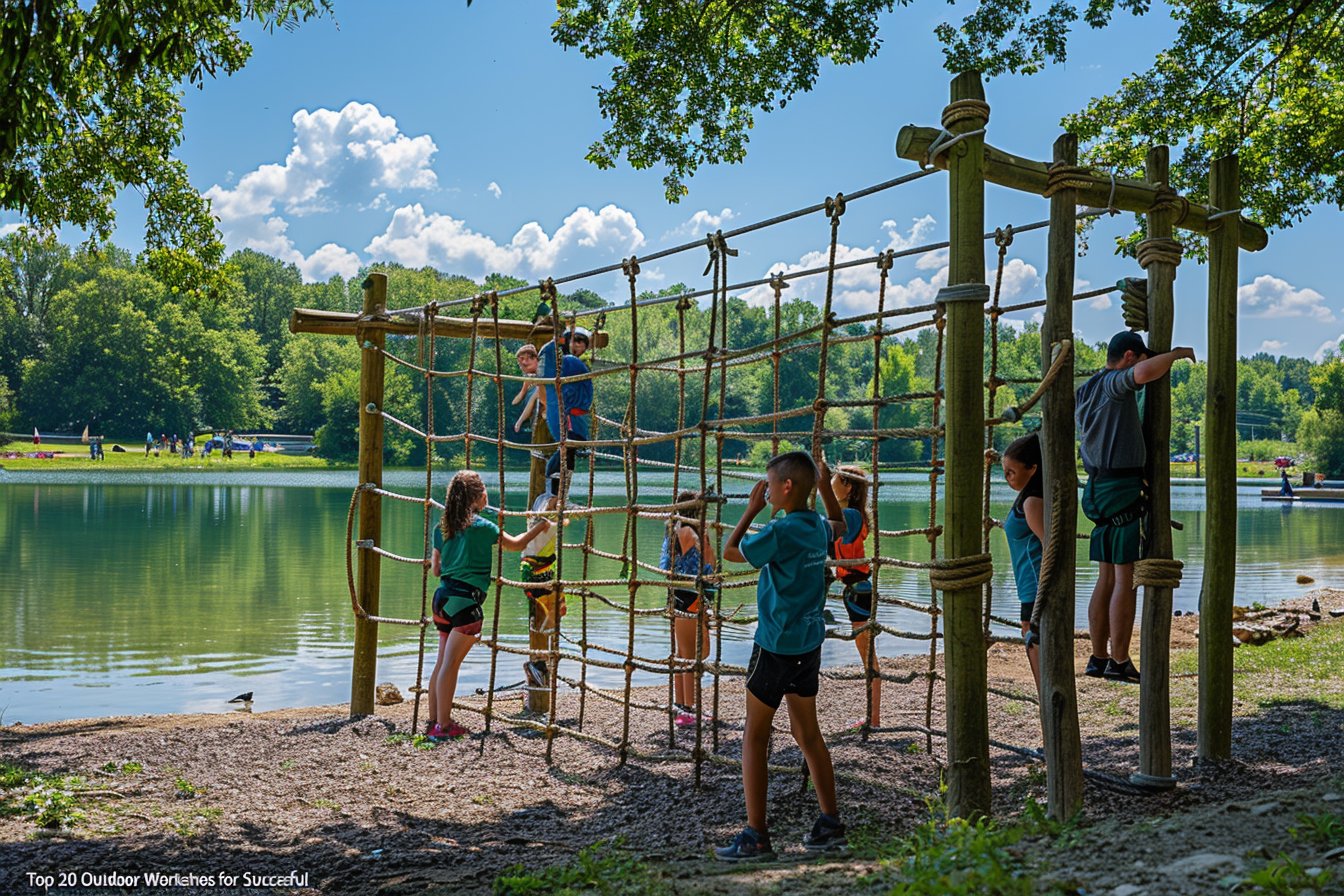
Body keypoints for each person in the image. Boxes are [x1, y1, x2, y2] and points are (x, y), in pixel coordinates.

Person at [717, 451, 848, 861]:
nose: (766, 489)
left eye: (770, 484)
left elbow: (731, 551)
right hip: (808, 644)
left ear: (786, 487)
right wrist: (825, 486)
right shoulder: (814, 526)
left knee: (755, 737)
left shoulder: (782, 529)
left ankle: (756, 835)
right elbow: (840, 525)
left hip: (774, 646)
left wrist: (750, 511)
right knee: (807, 735)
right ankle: (830, 824)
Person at [1076, 331, 1195, 684]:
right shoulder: (1114, 382)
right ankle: (1119, 661)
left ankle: (1098, 658)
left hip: (1097, 489)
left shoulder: (1088, 387)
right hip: (1120, 490)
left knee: (1107, 576)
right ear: (1129, 356)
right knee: (1125, 579)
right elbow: (1140, 376)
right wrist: (1175, 354)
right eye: (1141, 358)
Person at [426, 470, 550, 740]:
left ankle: (434, 720)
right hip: (466, 604)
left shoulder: (442, 527)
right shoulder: (483, 527)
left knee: (441, 663)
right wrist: (541, 526)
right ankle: (444, 727)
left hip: (442, 599)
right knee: (450, 665)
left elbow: (436, 569)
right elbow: (516, 546)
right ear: (480, 496)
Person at [827, 464, 880, 728]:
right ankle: (872, 716)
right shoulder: (851, 514)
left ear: (847, 486)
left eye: (834, 479)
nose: (830, 483)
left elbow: (830, 532)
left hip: (859, 591)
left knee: (867, 655)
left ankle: (874, 718)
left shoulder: (850, 515)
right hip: (854, 589)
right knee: (865, 652)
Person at [660, 489, 717, 728]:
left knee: (691, 653)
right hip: (687, 595)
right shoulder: (685, 531)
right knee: (691, 654)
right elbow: (710, 561)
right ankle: (686, 709)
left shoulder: (679, 530)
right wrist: (704, 536)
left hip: (686, 595)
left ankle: (684, 707)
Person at [999, 433, 1044, 691]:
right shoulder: (1028, 494)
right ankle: (1044, 704)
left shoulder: (1032, 501)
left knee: (1035, 642)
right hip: (1029, 588)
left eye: (1011, 472)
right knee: (1031, 639)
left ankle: (1045, 706)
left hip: (1036, 587)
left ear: (1033, 468)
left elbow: (1049, 544)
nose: (1007, 479)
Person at [520, 473, 567, 691]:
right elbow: (547, 511)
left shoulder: (555, 511)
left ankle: (540, 662)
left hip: (547, 568)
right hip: (534, 568)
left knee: (550, 616)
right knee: (540, 615)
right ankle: (537, 663)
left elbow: (563, 517)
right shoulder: (542, 509)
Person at [539, 326, 593, 494]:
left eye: (581, 342)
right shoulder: (568, 361)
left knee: (569, 450)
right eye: (574, 341)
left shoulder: (569, 363)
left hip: (574, 415)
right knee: (567, 448)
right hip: (567, 415)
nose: (577, 346)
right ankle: (553, 492)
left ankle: (559, 494)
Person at [512, 344, 546, 434]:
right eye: (521, 362)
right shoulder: (528, 376)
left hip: (551, 397)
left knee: (537, 391)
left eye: (526, 359)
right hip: (538, 407)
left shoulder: (543, 368)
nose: (523, 364)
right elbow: (521, 394)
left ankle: (521, 421)